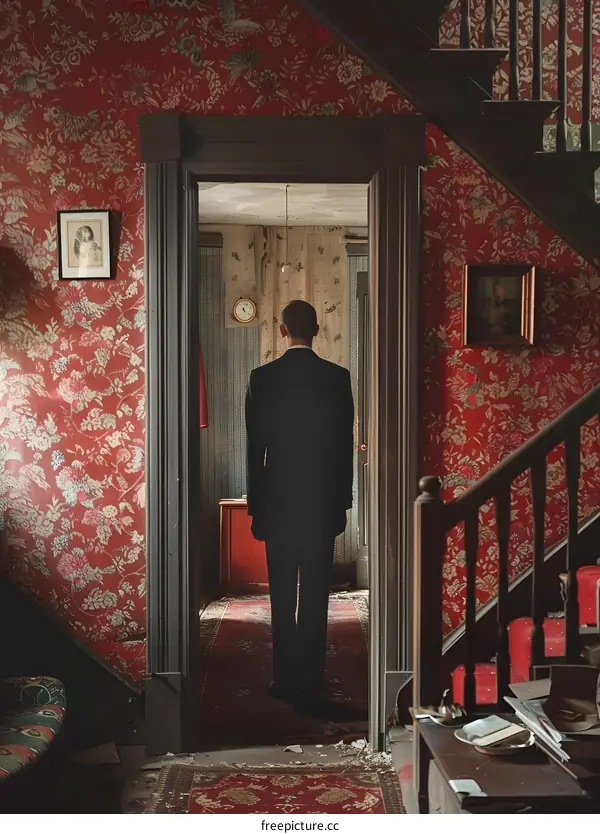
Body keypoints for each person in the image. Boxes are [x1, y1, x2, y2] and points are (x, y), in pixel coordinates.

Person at [245, 300, 354, 718]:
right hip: (321, 503)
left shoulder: (262, 378)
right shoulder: (337, 378)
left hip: (278, 504)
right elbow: (343, 449)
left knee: (279, 595)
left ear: (281, 328)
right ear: (317, 329)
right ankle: (311, 677)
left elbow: (256, 452)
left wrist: (256, 507)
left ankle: (284, 678)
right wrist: (343, 503)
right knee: (314, 596)